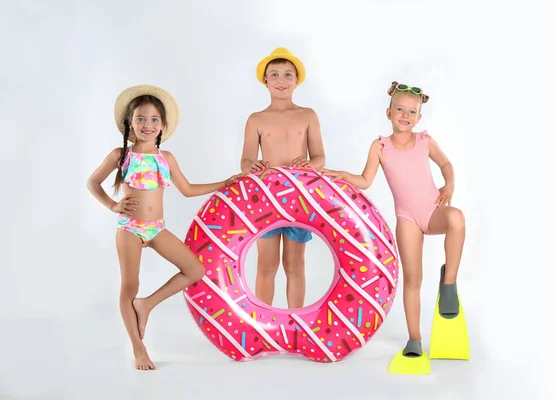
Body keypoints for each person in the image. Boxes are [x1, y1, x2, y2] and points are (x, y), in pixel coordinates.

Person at [87, 85, 240, 370]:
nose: (148, 124)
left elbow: (188, 189)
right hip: (130, 228)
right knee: (129, 286)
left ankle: (147, 305)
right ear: (130, 124)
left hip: (156, 228)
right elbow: (92, 183)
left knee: (195, 270)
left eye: (154, 119)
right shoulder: (121, 155)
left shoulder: (165, 158)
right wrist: (112, 205)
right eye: (141, 119)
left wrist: (224, 183)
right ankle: (138, 348)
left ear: (163, 125)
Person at [320, 81, 466, 359]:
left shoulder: (425, 141)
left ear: (419, 117)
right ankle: (414, 339)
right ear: (389, 113)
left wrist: (449, 187)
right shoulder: (380, 147)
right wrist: (341, 174)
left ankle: (449, 284)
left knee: (457, 218)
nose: (405, 115)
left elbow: (446, 164)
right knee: (413, 279)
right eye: (399, 109)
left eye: (412, 112)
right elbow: (365, 180)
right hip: (408, 219)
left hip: (434, 212)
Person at [239, 47, 327, 309]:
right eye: (274, 74)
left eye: (288, 75)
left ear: (297, 81)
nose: (281, 80)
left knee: (294, 263)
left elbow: (320, 157)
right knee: (266, 264)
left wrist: (311, 165)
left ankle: (296, 320)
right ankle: (262, 322)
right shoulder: (256, 119)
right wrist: (252, 166)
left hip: (299, 198)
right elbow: (245, 162)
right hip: (265, 199)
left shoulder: (308, 115)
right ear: (264, 80)